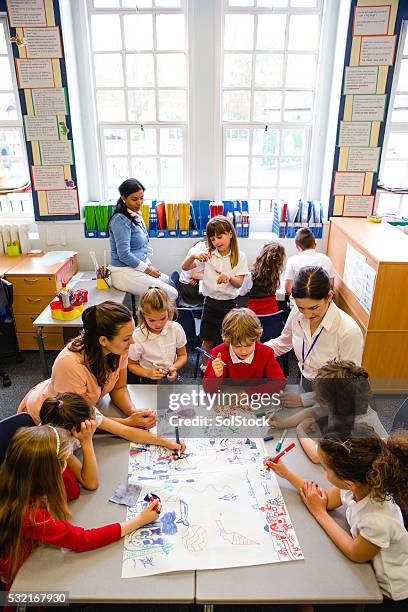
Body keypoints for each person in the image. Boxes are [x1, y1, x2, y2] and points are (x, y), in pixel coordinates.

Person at [264, 426, 408, 610]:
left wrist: (320, 514)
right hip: (366, 563)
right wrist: (286, 473)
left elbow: (355, 553)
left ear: (348, 482)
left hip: (390, 592)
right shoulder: (358, 485)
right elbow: (324, 498)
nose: (324, 474)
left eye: (325, 469)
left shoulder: (378, 520)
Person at [0, 426, 161, 590]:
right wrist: (140, 520)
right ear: (49, 472)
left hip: (29, 547)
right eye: (65, 459)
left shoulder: (21, 478)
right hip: (18, 574)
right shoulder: (33, 517)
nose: (68, 461)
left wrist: (61, 462)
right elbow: (82, 540)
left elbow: (72, 491)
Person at [18, 302, 184, 453]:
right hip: (49, 417)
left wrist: (134, 412)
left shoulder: (118, 349)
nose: (132, 342)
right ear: (103, 340)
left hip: (86, 410)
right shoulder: (69, 364)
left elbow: (119, 388)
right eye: (126, 338)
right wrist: (132, 423)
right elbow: (87, 419)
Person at [265, 266, 363, 405]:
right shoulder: (296, 313)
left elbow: (347, 383)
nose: (307, 315)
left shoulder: (348, 331)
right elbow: (283, 343)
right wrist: (252, 350)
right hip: (304, 382)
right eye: (301, 307)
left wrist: (304, 400)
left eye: (313, 308)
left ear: (329, 296)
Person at [268, 359, 388, 462]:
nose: (315, 398)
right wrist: (282, 424)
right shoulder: (347, 398)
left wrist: (300, 431)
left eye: (320, 398)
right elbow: (312, 412)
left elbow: (317, 456)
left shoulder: (355, 428)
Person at [181, 215, 248, 366]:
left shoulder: (240, 257)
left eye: (220, 237)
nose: (216, 242)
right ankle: (206, 368)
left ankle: (228, 367)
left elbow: (238, 284)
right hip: (210, 304)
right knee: (207, 340)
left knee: (229, 340)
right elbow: (185, 268)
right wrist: (193, 256)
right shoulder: (208, 254)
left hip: (229, 305)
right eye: (212, 239)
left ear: (230, 233)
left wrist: (229, 277)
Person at [108, 178, 178, 301]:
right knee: (171, 294)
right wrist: (148, 270)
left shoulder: (135, 215)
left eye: (141, 198)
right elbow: (124, 254)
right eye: (134, 199)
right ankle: (157, 320)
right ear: (124, 198)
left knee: (169, 282)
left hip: (136, 267)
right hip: (123, 271)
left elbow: (141, 247)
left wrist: (148, 265)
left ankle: (163, 319)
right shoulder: (120, 220)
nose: (139, 202)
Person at [203, 308, 285, 386]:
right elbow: (208, 390)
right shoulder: (217, 354)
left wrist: (249, 394)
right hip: (228, 398)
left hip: (255, 399)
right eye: (237, 346)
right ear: (229, 341)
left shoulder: (266, 352)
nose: (244, 351)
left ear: (256, 338)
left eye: (248, 345)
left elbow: (279, 383)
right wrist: (215, 375)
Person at [40, 393, 100, 496]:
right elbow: (91, 483)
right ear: (76, 430)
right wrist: (86, 441)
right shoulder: (57, 445)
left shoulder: (55, 425)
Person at [128, 287, 187, 382]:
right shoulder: (137, 336)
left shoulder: (176, 328)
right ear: (143, 314)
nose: (158, 324)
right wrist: (148, 373)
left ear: (168, 311)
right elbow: (131, 364)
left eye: (163, 318)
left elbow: (182, 355)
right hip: (148, 377)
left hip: (172, 374)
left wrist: (174, 367)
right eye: (151, 320)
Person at [284, 228, 335, 302]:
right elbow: (330, 286)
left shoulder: (292, 261)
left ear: (297, 247)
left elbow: (288, 289)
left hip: (299, 305)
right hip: (322, 305)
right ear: (315, 245)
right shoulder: (327, 260)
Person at [247, 242, 285, 315]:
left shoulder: (251, 276)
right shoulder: (277, 275)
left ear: (261, 256)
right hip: (272, 317)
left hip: (253, 317)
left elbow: (242, 293)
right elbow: (279, 288)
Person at [176, 240, 206, 307]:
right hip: (189, 288)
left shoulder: (199, 245)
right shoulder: (203, 252)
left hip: (188, 285)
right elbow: (194, 275)